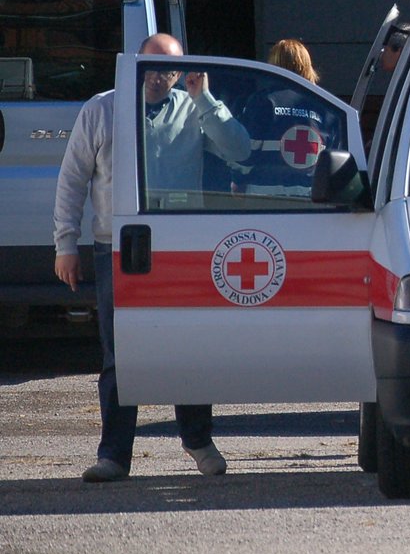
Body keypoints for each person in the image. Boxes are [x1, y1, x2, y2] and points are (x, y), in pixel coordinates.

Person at [55, 33, 247, 483]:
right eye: (153, 67)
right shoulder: (102, 109)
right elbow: (72, 182)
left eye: (171, 70)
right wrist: (65, 245)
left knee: (190, 347)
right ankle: (115, 456)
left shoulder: (192, 107)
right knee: (120, 355)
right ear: (135, 63)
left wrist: (206, 99)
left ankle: (198, 440)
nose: (161, 77)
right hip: (119, 248)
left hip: (182, 247)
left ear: (183, 72)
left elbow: (239, 150)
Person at [237, 38, 338, 196]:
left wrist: (237, 180)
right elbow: (334, 160)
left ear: (274, 66)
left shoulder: (263, 101)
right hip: (309, 200)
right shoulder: (326, 106)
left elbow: (246, 150)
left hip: (264, 200)